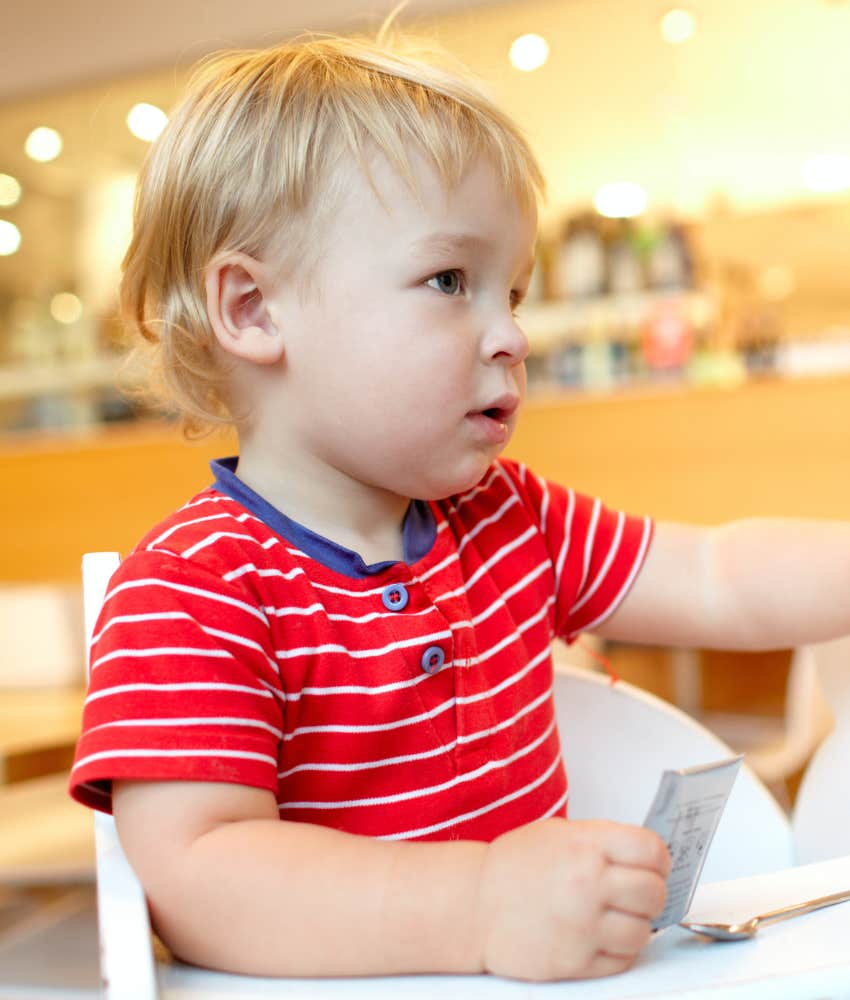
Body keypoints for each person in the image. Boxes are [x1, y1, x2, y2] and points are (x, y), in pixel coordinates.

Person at [70, 24, 850, 984]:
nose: (512, 334)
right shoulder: (192, 590)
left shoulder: (506, 517)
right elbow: (199, 877)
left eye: (513, 292)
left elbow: (715, 576)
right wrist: (481, 905)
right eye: (451, 281)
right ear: (253, 310)